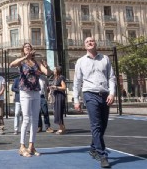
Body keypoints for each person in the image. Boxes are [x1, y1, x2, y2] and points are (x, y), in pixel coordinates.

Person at [73, 37, 116, 169]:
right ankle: (102, 155)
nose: (90, 43)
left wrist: (112, 93)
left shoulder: (105, 59)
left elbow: (111, 77)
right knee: (96, 124)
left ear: (95, 43)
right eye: (87, 42)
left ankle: (93, 147)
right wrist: (76, 100)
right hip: (89, 94)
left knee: (103, 125)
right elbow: (77, 82)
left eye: (92, 41)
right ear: (84, 46)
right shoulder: (80, 61)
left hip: (104, 94)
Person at [9, 43, 52, 157]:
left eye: (30, 47)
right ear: (23, 50)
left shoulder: (37, 62)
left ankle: (31, 146)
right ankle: (22, 146)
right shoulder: (22, 61)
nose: (28, 48)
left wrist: (46, 66)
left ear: (32, 50)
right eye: (26, 47)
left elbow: (47, 73)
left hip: (36, 91)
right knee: (26, 118)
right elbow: (11, 64)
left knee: (35, 120)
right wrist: (25, 57)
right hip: (25, 91)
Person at [50, 66, 66, 135]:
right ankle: (62, 127)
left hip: (60, 96)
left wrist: (55, 87)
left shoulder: (61, 77)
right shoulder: (55, 78)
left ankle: (61, 128)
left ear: (57, 71)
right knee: (56, 112)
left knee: (58, 113)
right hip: (56, 96)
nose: (53, 70)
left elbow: (64, 87)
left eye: (54, 69)